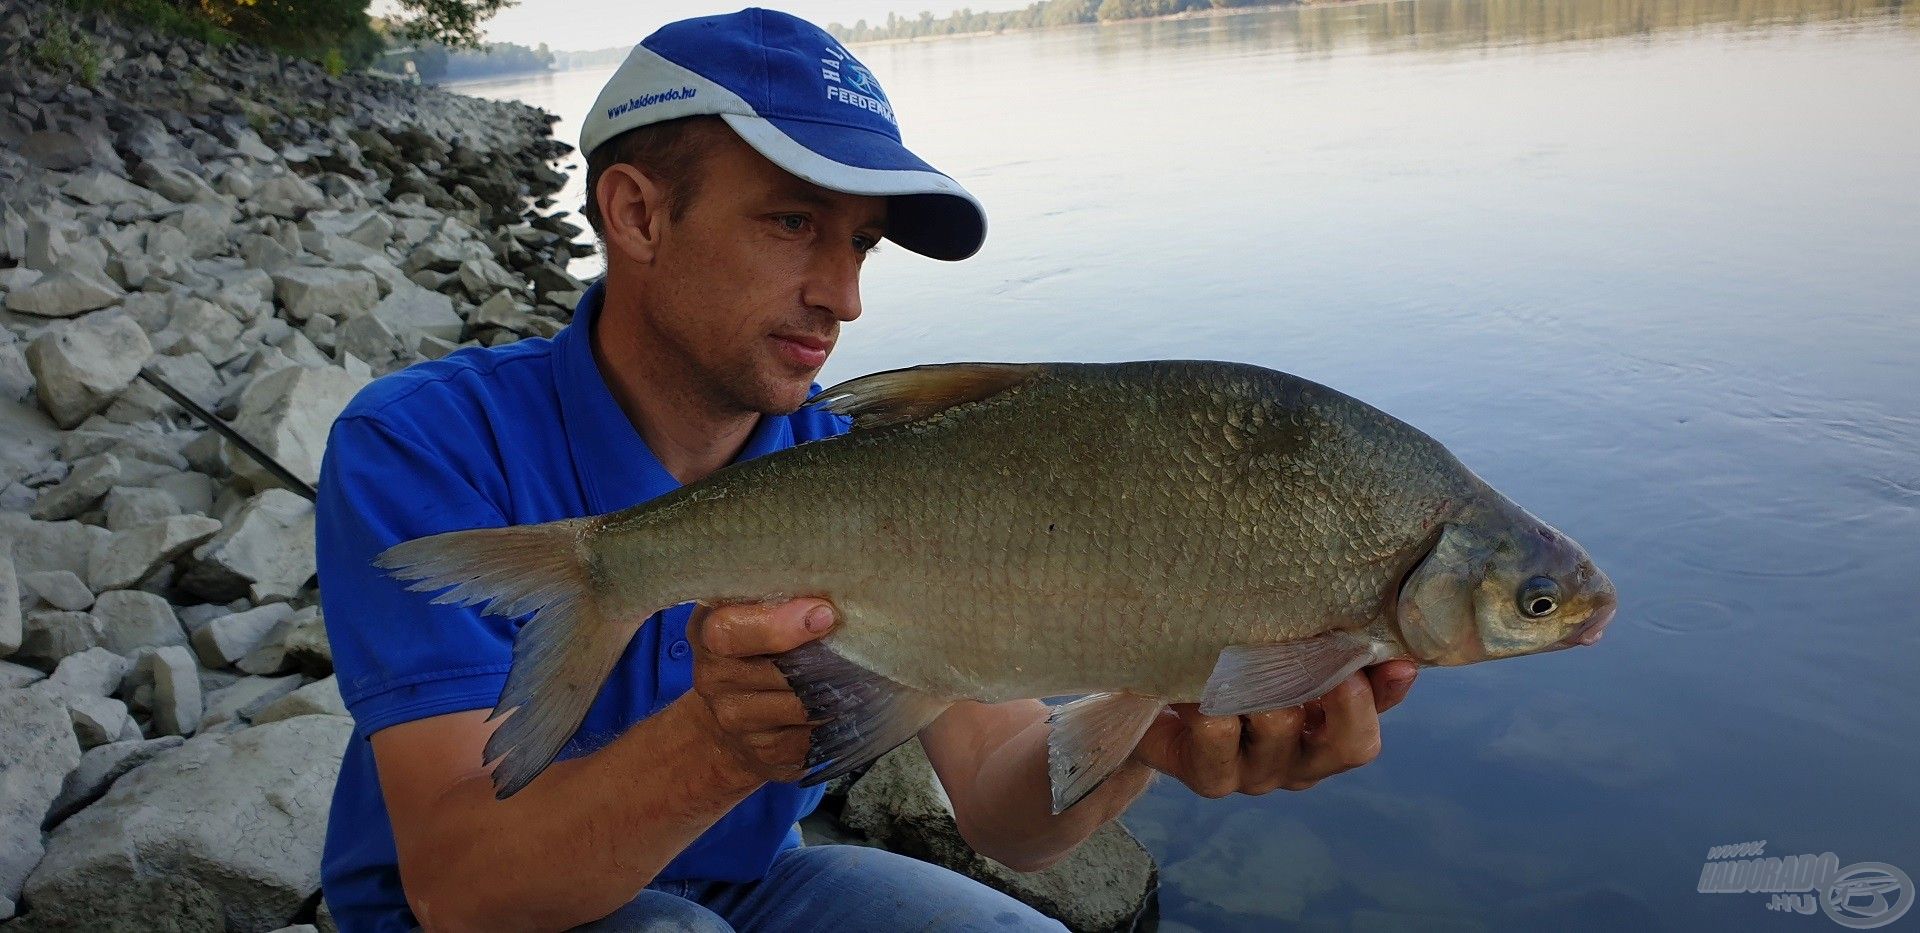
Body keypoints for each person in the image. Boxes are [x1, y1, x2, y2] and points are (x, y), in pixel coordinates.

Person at [314, 9, 1419, 932]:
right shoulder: (419, 444)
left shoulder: (859, 468)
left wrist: (1150, 736)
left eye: (861, 245)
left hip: (754, 888)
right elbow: (463, 887)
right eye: (794, 223)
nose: (843, 297)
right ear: (638, 214)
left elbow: (1000, 810)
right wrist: (718, 742)